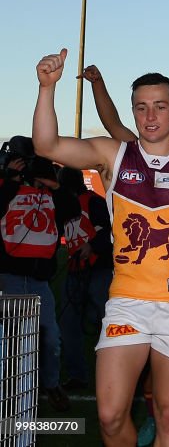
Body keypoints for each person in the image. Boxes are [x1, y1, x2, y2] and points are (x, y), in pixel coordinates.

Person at [32, 62, 169, 446]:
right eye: (141, 107)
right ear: (133, 111)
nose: (150, 116)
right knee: (110, 416)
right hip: (126, 305)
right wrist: (47, 87)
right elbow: (46, 146)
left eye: (160, 106)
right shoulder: (113, 154)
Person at [1, 148, 78, 412]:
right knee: (10, 340)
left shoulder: (51, 195)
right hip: (8, 277)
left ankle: (51, 383)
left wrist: (54, 185)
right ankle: (9, 391)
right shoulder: (6, 189)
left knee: (50, 338)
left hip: (39, 282)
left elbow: (73, 208)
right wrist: (10, 181)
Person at [57, 166, 114, 392]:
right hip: (76, 269)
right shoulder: (67, 204)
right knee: (69, 322)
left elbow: (112, 230)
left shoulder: (93, 201)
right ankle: (77, 376)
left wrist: (93, 245)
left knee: (105, 322)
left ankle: (114, 374)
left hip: (99, 269)